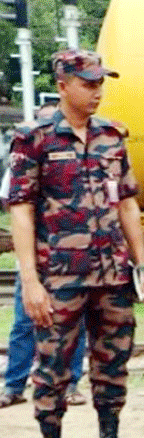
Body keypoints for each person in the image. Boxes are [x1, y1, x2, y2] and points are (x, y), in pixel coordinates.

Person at [7, 50, 144, 438]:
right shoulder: (33, 138)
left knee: (113, 364)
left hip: (111, 274)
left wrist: (139, 263)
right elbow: (21, 210)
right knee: (52, 370)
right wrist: (29, 280)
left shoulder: (111, 136)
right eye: (88, 83)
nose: (97, 91)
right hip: (61, 276)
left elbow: (126, 202)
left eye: (101, 82)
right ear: (63, 84)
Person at [2, 102, 88, 410]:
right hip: (35, 258)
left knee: (74, 324)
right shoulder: (23, 159)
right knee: (25, 323)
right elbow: (11, 206)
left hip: (68, 259)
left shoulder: (75, 159)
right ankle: (14, 384)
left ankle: (71, 384)